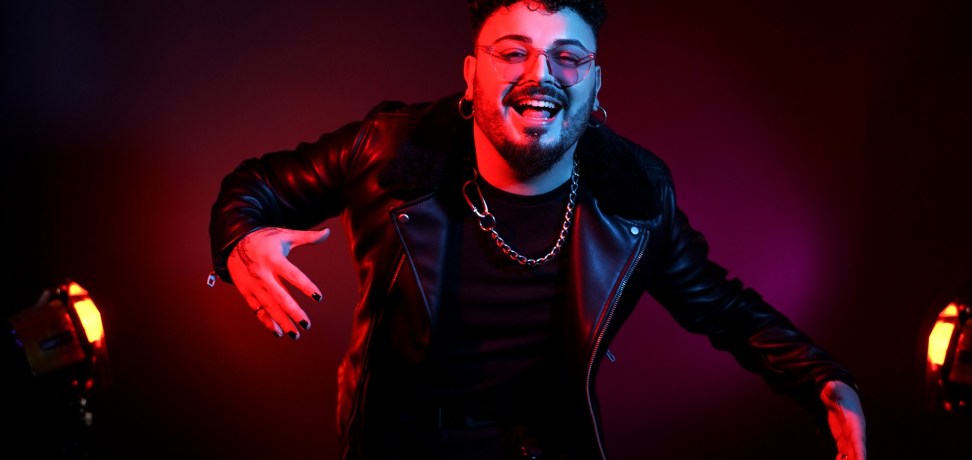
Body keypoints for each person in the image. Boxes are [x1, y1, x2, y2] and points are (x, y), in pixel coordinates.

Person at [208, 1, 867, 459]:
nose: (539, 75)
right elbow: (254, 186)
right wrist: (238, 242)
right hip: (403, 448)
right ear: (471, 76)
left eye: (567, 57)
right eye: (512, 52)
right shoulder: (389, 149)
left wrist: (825, 384)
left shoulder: (636, 193)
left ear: (595, 83)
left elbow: (724, 309)